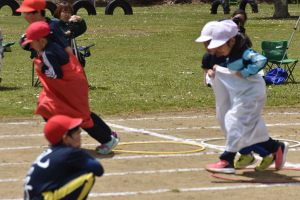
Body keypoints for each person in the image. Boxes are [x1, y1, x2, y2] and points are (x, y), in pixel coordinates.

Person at [195, 20, 289, 174]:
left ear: (231, 41)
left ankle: (227, 160)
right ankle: (276, 148)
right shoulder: (225, 53)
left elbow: (261, 60)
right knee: (249, 129)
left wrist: (245, 72)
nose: (215, 49)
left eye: (219, 45)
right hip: (240, 94)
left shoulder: (243, 52)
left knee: (234, 120)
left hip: (252, 93)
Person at [22, 21, 119, 154]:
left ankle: (107, 140)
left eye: (32, 42)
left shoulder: (48, 53)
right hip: (74, 84)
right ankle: (107, 134)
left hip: (70, 87)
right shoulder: (52, 46)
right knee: (52, 108)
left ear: (41, 40)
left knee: (80, 116)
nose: (31, 46)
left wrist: (42, 68)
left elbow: (56, 73)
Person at [24, 115, 104, 199]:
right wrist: (80, 152)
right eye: (77, 133)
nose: (80, 136)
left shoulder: (49, 153)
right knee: (88, 176)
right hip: (44, 197)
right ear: (65, 138)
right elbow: (98, 169)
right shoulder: (69, 153)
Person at [53, 0, 87, 67]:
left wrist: (80, 19)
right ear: (59, 13)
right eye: (64, 12)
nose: (67, 14)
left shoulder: (70, 25)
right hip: (55, 55)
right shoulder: (53, 23)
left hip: (69, 57)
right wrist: (64, 34)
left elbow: (82, 28)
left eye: (69, 12)